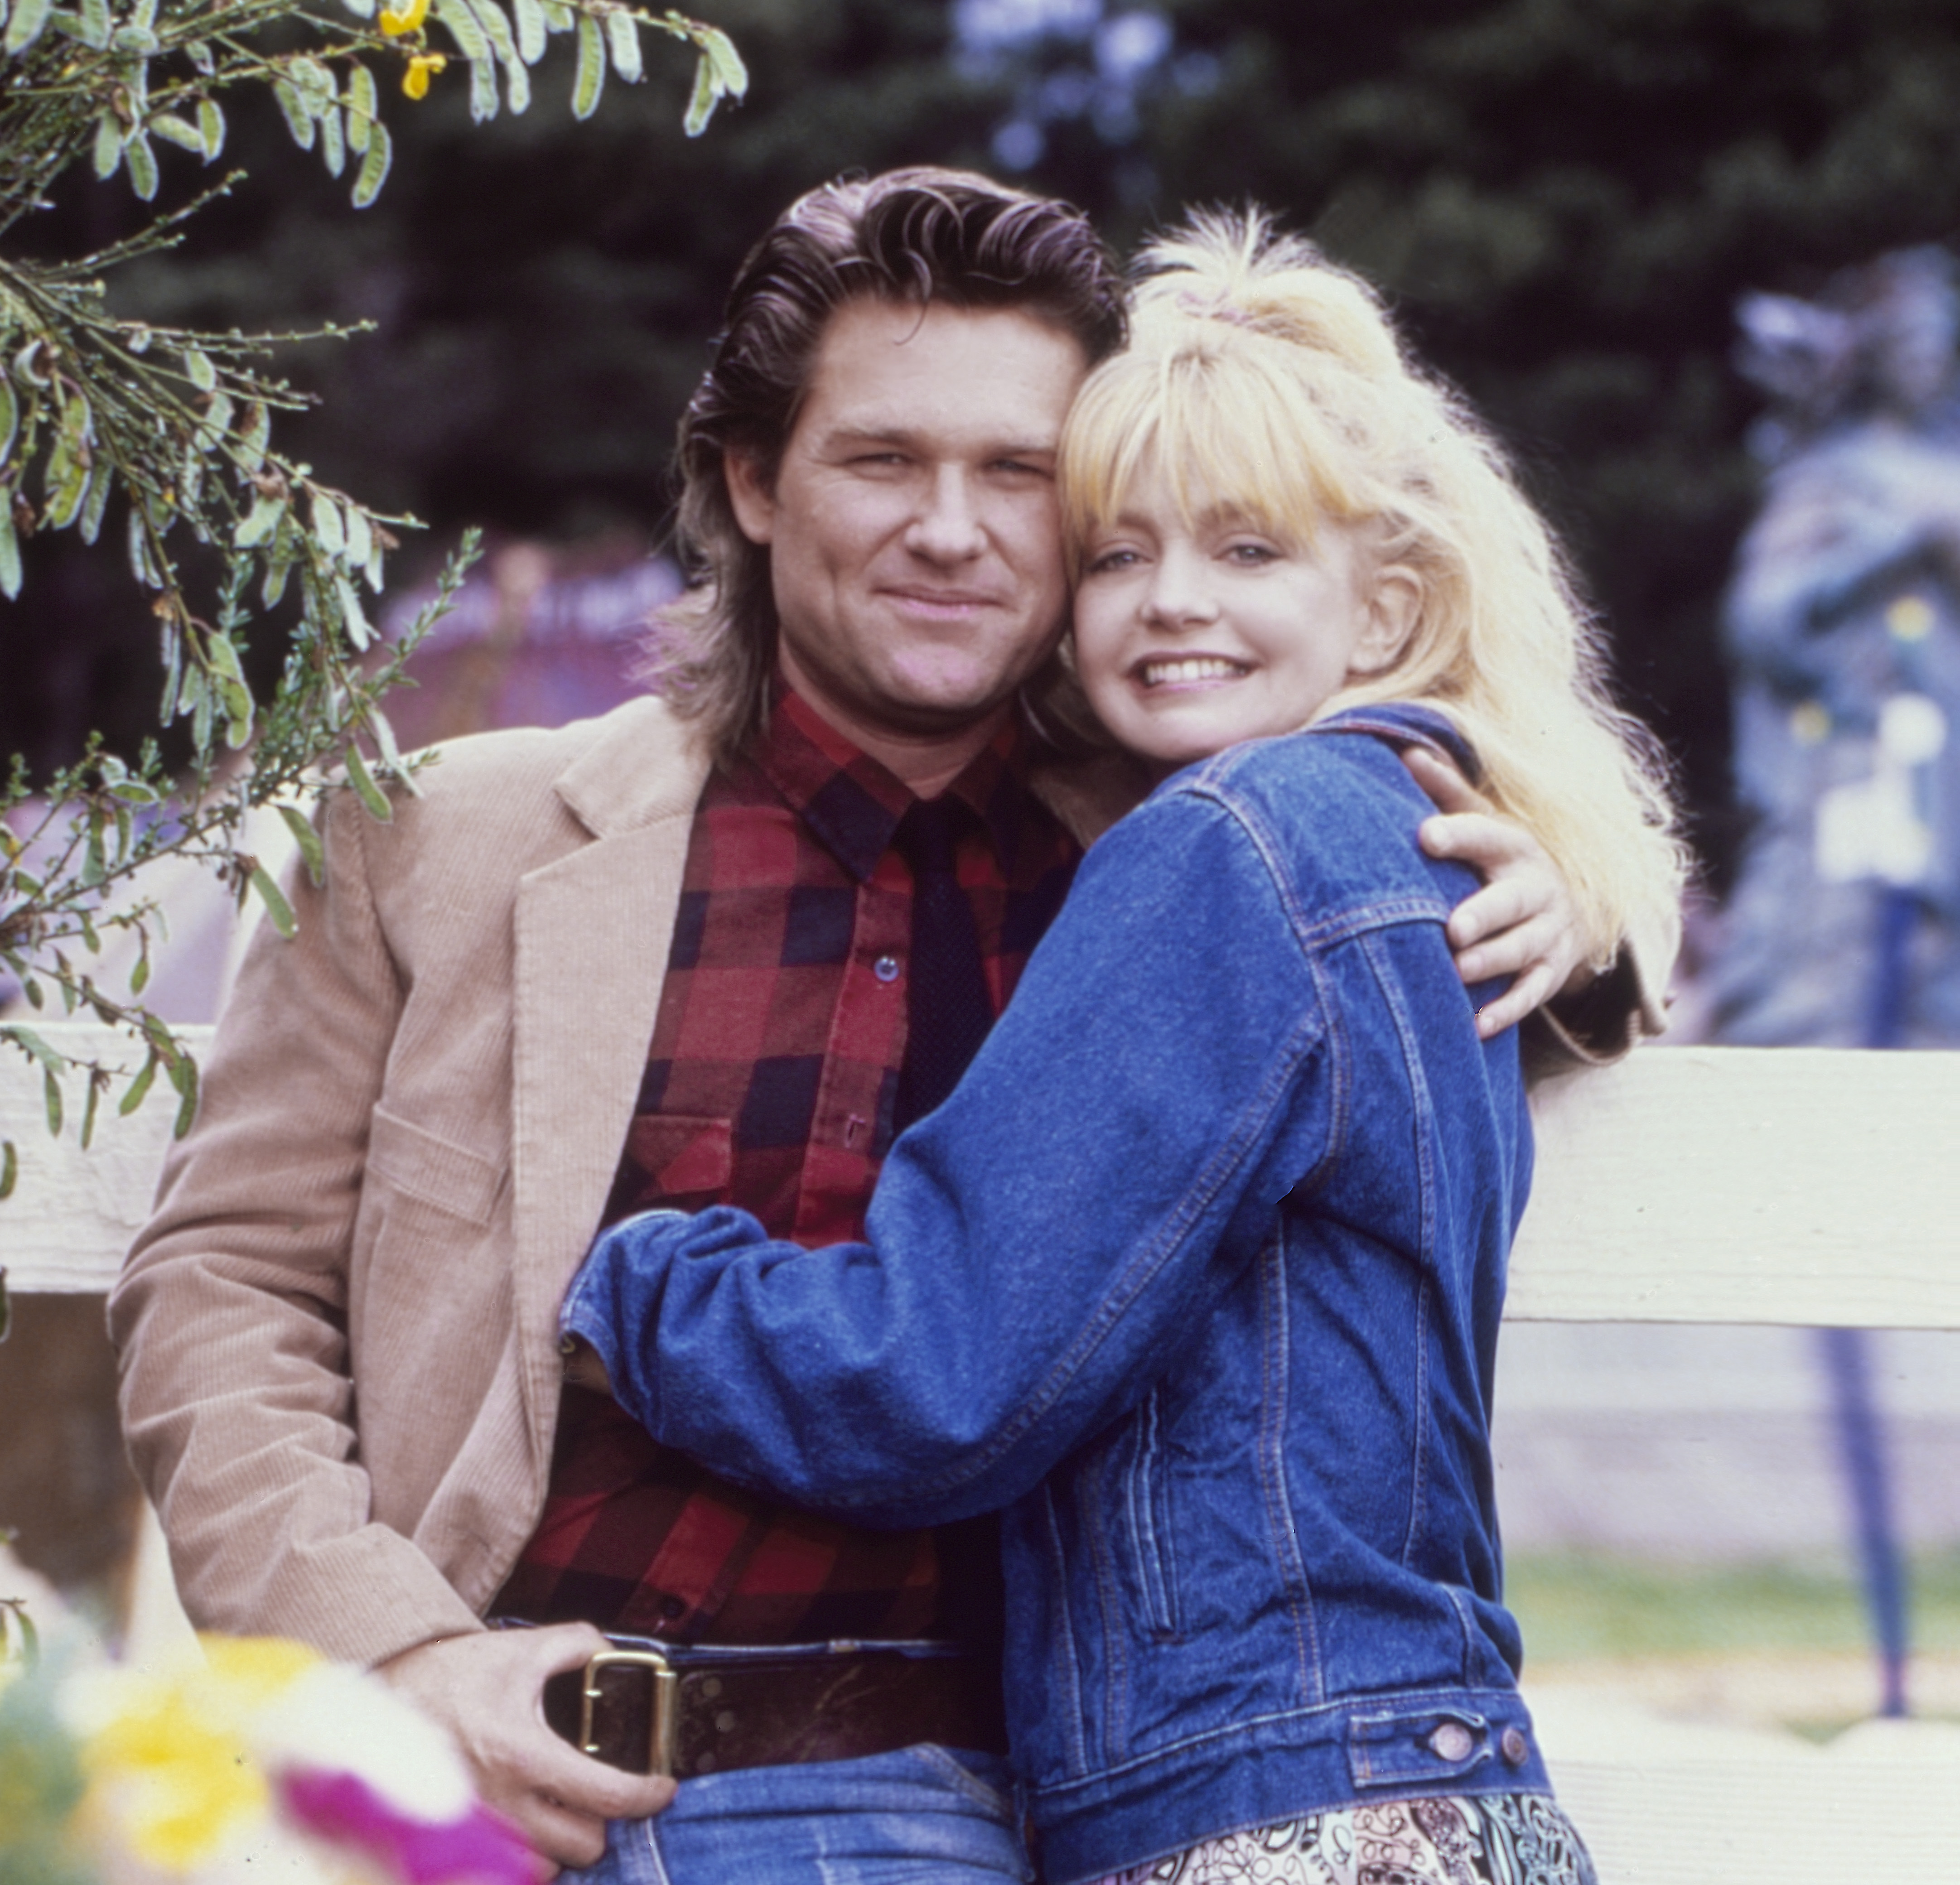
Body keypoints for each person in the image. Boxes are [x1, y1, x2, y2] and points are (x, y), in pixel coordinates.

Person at [110, 171, 1663, 1883]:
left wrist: (1578, 903)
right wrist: (387, 1658)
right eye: (882, 461)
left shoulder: (1180, 872)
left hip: (913, 1804)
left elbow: (1384, 976)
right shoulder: (445, 832)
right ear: (753, 482)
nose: (954, 529)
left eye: (1021, 476)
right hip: (464, 1758)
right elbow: (223, 1279)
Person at [559, 210, 1686, 1885]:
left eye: (1246, 553)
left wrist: (628, 1283)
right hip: (1433, 1783)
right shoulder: (1415, 841)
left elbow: (936, 1376)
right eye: (1117, 553)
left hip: (1272, 1809)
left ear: (1381, 609)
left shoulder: (1223, 847)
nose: (1171, 606)